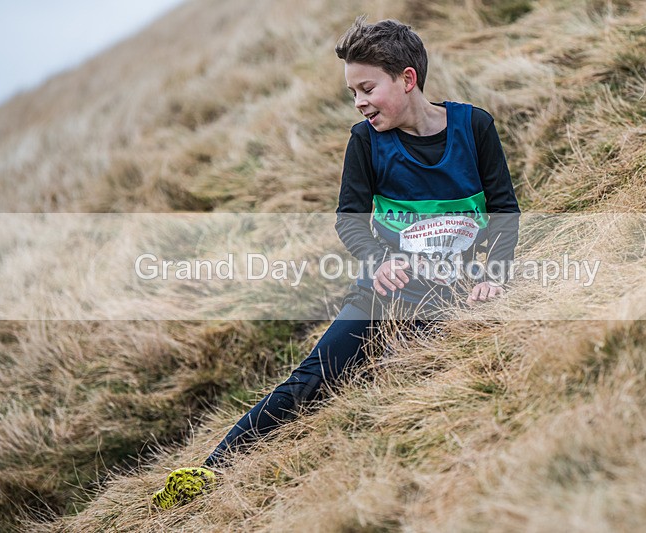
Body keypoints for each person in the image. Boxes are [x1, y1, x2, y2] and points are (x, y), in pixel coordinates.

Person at [151, 16, 520, 509]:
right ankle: (208, 470)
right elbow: (349, 220)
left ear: (407, 79)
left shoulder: (475, 127)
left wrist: (491, 274)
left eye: (367, 88)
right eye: (353, 93)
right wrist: (379, 259)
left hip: (457, 293)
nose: (360, 102)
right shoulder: (366, 142)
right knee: (312, 378)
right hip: (383, 293)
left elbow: (503, 210)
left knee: (414, 373)